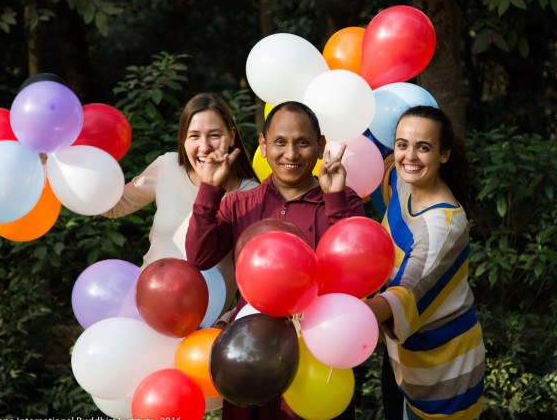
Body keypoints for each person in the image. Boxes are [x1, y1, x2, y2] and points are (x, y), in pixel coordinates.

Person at [185, 100, 364, 420]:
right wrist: (209, 190)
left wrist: (334, 199)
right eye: (280, 142)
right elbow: (200, 257)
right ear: (263, 146)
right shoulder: (239, 204)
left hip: (317, 356)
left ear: (321, 146)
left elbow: (351, 274)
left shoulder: (343, 199)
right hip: (249, 355)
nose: (291, 154)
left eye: (303, 143)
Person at [365, 105, 485, 420]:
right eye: (402, 144)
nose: (410, 156)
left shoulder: (442, 227)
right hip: (400, 357)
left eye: (424, 147)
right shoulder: (401, 179)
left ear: (444, 154)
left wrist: (341, 313)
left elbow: (402, 295)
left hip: (442, 373)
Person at [102, 93, 259, 311]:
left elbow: (259, 279)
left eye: (214, 135)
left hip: (202, 330)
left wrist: (231, 317)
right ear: (183, 139)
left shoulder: (251, 195)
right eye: (194, 136)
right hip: (144, 310)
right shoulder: (167, 166)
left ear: (231, 136)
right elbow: (112, 206)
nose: (204, 147)